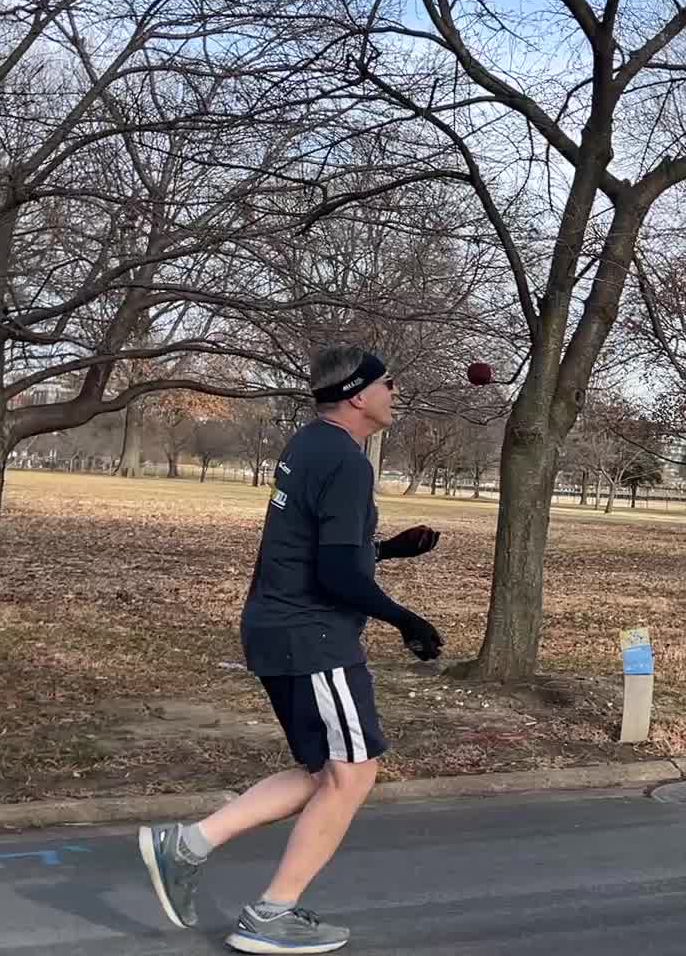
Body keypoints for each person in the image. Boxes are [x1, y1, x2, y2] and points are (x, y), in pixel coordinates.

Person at [138, 345, 446, 954]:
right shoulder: (346, 461)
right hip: (313, 637)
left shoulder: (309, 445)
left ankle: (187, 845)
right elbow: (334, 575)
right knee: (354, 773)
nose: (394, 392)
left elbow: (313, 548)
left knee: (325, 772)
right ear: (358, 395)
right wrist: (405, 619)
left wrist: (386, 550)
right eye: (387, 383)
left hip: (280, 629)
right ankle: (271, 914)